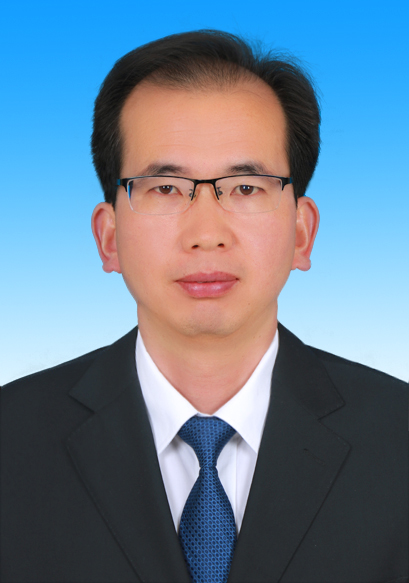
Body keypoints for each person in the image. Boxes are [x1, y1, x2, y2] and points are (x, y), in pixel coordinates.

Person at [1, 30, 407, 583]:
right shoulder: (11, 440)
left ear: (301, 233)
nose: (207, 234)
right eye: (165, 189)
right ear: (109, 238)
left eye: (246, 188)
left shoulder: (399, 439)